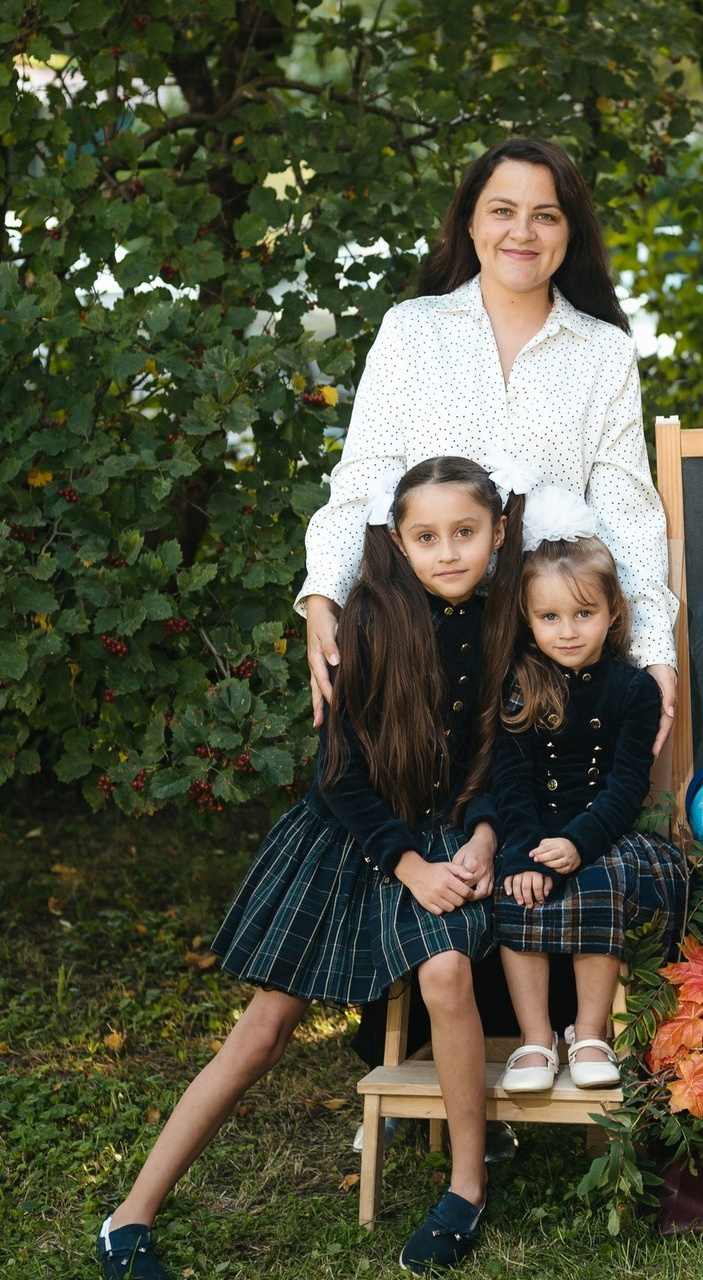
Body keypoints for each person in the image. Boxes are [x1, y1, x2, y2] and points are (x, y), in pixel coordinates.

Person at [96, 457, 525, 1279]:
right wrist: (405, 865)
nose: (447, 552)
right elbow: (336, 775)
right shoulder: (364, 622)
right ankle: (129, 1216)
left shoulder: (505, 627)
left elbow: (495, 760)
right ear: (397, 543)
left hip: (448, 839)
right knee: (263, 1029)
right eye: (426, 537)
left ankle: (466, 1189)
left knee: (445, 976)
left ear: (497, 533)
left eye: (465, 533)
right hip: (351, 836)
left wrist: (482, 839)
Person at [299, 135, 679, 752]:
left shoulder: (604, 353)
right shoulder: (411, 332)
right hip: (420, 651)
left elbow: (626, 517)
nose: (522, 232)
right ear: (470, 222)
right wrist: (324, 595)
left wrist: (654, 650)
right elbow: (364, 482)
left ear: (569, 232)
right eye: (503, 210)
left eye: (545, 215)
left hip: (549, 660)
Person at [491, 489, 686, 1094]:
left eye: (583, 614)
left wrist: (580, 841)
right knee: (517, 890)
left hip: (602, 830)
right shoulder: (516, 683)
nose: (567, 631)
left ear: (614, 611)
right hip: (532, 829)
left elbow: (628, 784)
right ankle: (534, 1037)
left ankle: (590, 1030)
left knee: (599, 883)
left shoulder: (633, 690)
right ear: (527, 618)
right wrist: (524, 849)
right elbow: (510, 778)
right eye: (549, 618)